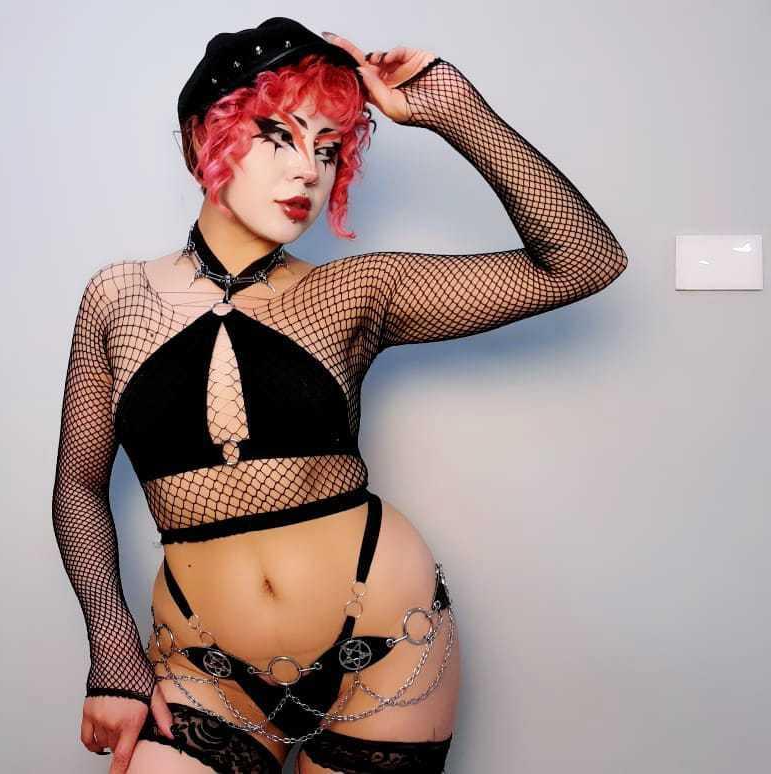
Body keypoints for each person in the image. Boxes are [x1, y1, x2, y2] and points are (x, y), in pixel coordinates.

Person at [51, 16, 628, 774]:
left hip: (388, 645)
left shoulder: (355, 291)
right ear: (201, 139)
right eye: (278, 137)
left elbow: (584, 261)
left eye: (327, 150)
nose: (308, 173)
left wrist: (451, 106)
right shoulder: (117, 297)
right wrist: (114, 656)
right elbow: (78, 487)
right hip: (202, 664)